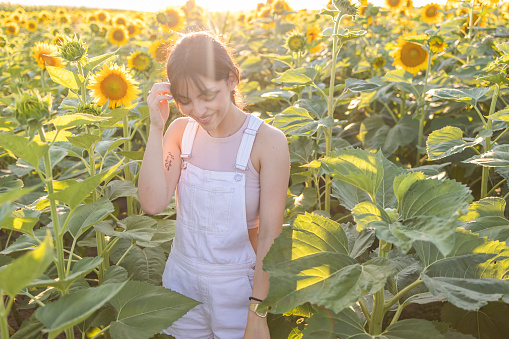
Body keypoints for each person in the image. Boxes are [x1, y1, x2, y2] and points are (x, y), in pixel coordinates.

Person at [138, 31, 290, 339]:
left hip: (238, 290)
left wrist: (257, 311)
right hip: (181, 282)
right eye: (185, 100)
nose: (198, 110)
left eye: (207, 95)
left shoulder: (267, 142)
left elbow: (270, 237)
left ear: (233, 79)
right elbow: (152, 203)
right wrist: (157, 125)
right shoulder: (181, 133)